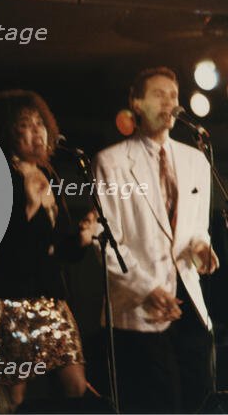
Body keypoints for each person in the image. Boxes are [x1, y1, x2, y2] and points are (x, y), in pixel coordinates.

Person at [93, 66, 218, 413]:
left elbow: (196, 229)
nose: (170, 103)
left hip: (188, 305)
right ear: (135, 103)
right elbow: (106, 240)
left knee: (198, 399)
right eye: (159, 95)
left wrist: (200, 250)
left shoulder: (196, 160)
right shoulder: (112, 161)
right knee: (152, 404)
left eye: (174, 96)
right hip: (138, 309)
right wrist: (147, 288)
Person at [0, 89, 96, 413]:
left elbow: (53, 249)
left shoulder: (50, 175)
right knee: (12, 397)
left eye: (40, 124)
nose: (36, 133)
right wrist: (28, 206)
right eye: (24, 127)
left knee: (75, 383)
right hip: (7, 298)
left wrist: (81, 239)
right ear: (6, 134)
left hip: (49, 297)